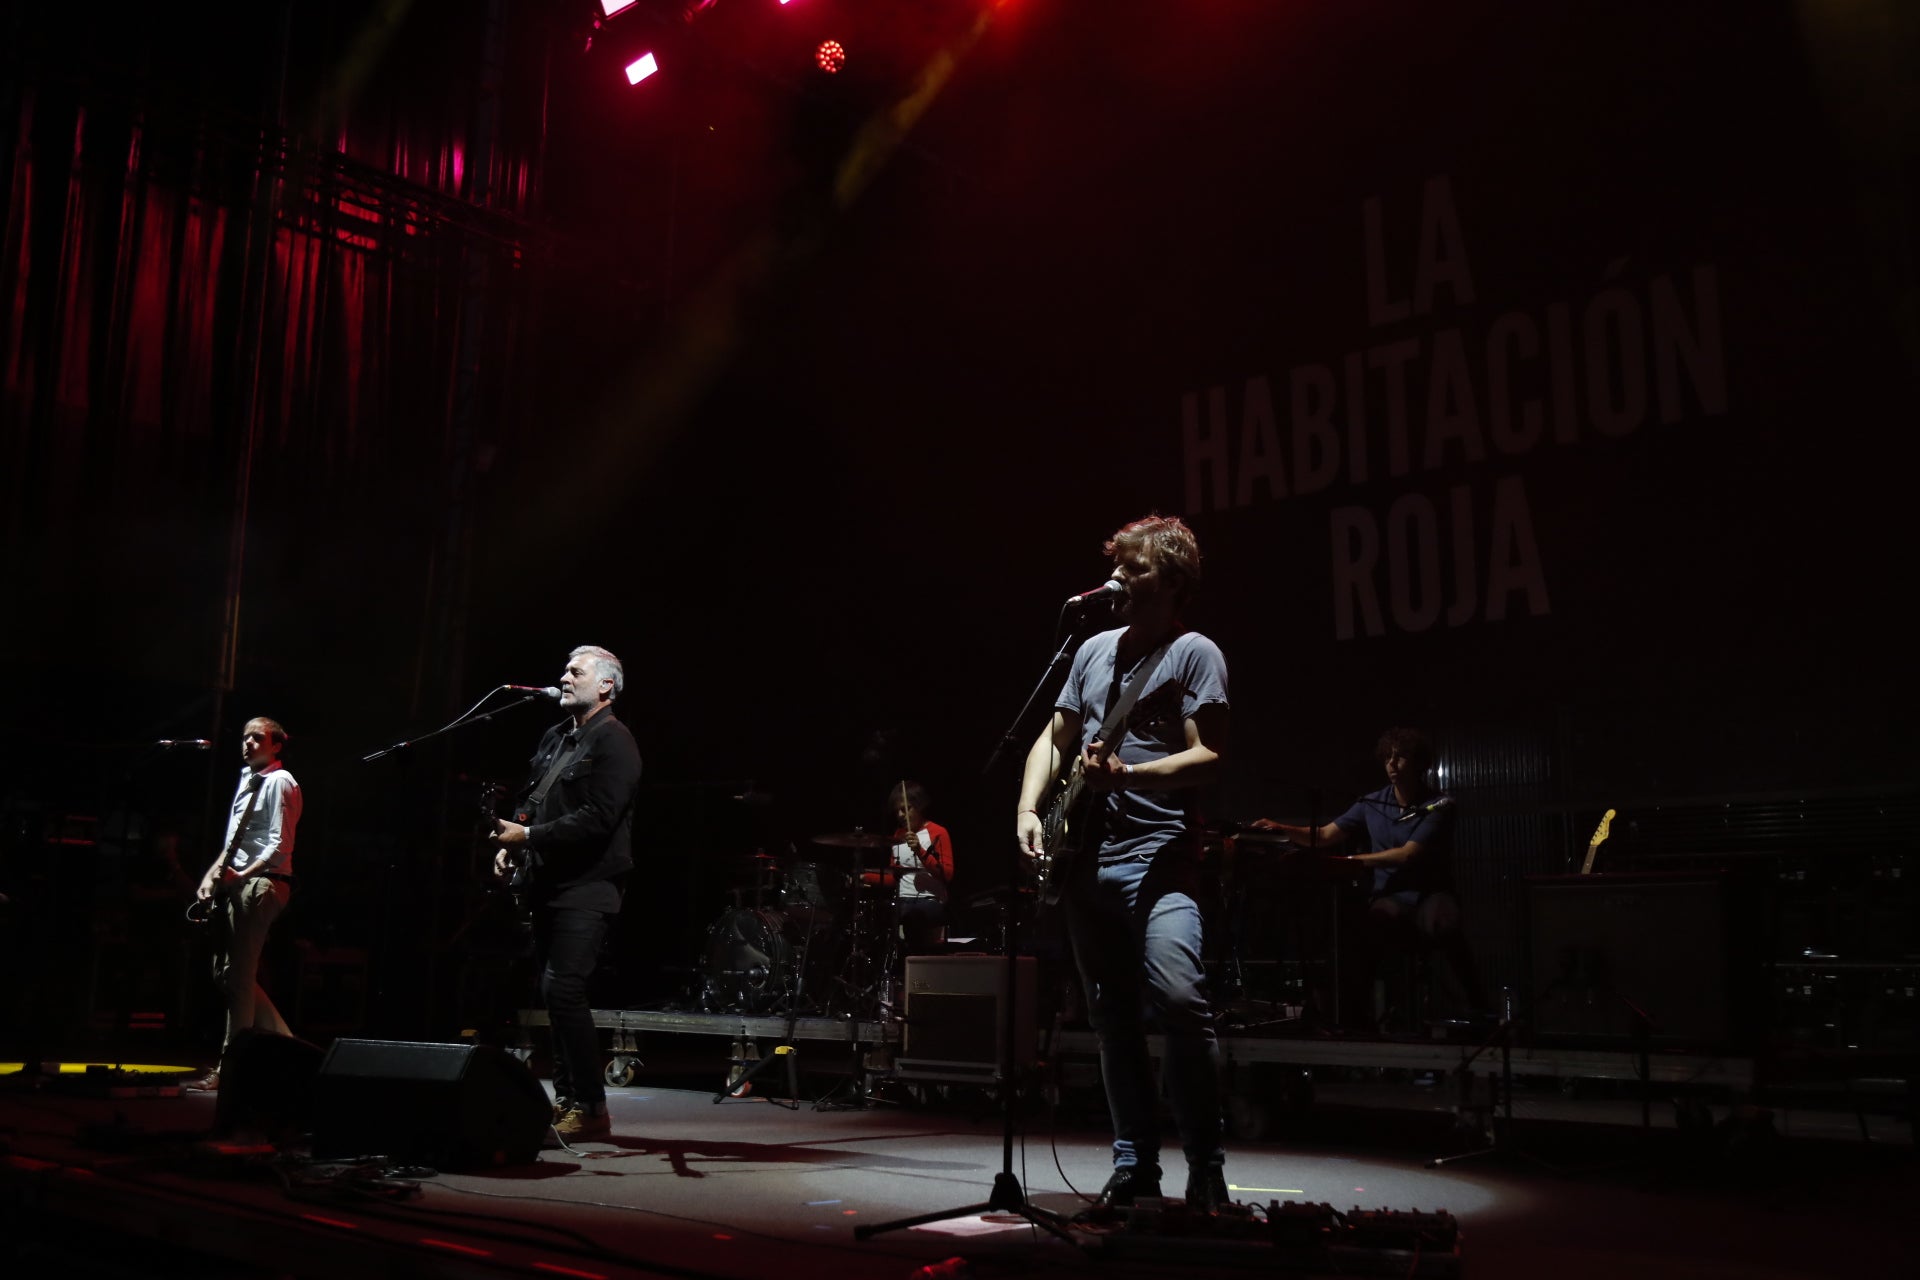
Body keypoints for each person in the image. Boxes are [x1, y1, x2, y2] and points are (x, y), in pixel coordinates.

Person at [1015, 514, 1232, 1213]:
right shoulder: (1091, 650)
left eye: (1133, 569)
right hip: (1087, 863)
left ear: (1170, 582)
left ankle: (1205, 1166)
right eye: (1118, 566)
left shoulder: (1194, 652)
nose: (1118, 580)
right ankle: (1135, 1164)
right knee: (1111, 1021)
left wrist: (1128, 780)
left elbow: (1209, 756)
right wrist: (1027, 808)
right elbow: (1054, 738)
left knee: (1178, 1000)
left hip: (1160, 858)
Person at [491, 646, 642, 1141]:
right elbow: (533, 800)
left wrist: (528, 837)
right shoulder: (558, 738)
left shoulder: (615, 742)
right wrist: (514, 842)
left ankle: (593, 1108)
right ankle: (569, 1102)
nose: (563, 677)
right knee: (554, 995)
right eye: (564, 669)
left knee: (564, 989)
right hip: (547, 880)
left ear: (606, 686)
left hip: (589, 884)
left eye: (575, 671)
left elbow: (600, 818)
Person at [1252, 727, 1488, 1028]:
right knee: (1369, 927)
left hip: (1431, 894)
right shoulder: (1371, 803)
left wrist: (1353, 861)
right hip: (1391, 896)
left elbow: (1408, 855)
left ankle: (1478, 1006)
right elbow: (1325, 835)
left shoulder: (1440, 805)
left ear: (1419, 763)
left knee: (1443, 919)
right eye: (1387, 757)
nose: (1392, 764)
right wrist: (1279, 828)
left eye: (1400, 757)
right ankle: (1363, 1017)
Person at [184, 717, 302, 1091]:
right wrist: (212, 876)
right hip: (239, 883)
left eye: (258, 737)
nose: (248, 742)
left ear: (276, 744)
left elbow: (278, 846)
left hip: (263, 884)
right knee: (228, 976)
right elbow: (234, 841)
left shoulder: (280, 782)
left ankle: (231, 1070)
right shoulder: (247, 779)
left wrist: (242, 876)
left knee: (238, 978)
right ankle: (285, 1048)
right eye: (246, 736)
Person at [885, 781, 953, 958]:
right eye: (897, 810)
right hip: (902, 900)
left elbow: (947, 874)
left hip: (929, 901)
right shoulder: (897, 836)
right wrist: (863, 877)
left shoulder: (938, 832)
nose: (900, 815)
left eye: (906, 809)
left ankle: (916, 975)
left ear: (920, 807)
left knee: (913, 919)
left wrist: (920, 852)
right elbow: (894, 878)